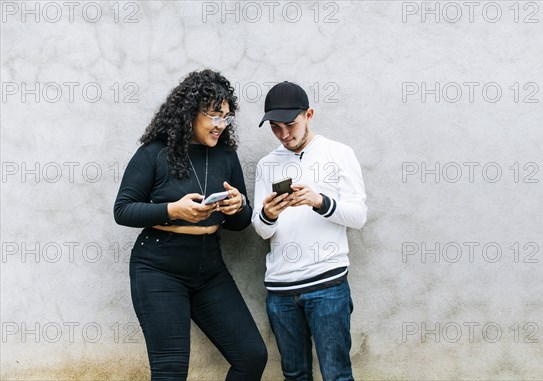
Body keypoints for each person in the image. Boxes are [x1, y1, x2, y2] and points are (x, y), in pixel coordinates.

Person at [113, 69, 267, 381]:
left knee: (252, 356)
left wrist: (238, 207)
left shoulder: (226, 155)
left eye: (226, 117)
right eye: (214, 115)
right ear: (189, 113)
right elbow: (123, 210)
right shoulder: (154, 153)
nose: (221, 125)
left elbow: (240, 223)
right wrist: (173, 210)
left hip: (209, 269)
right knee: (171, 371)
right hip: (159, 269)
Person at [252, 81, 367, 381]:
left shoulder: (339, 153)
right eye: (275, 127)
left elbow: (358, 216)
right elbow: (261, 231)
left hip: (328, 286)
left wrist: (320, 201)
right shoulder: (266, 164)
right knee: (294, 376)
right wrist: (268, 214)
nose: (284, 134)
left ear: (309, 115)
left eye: (290, 124)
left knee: (337, 375)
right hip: (280, 290)